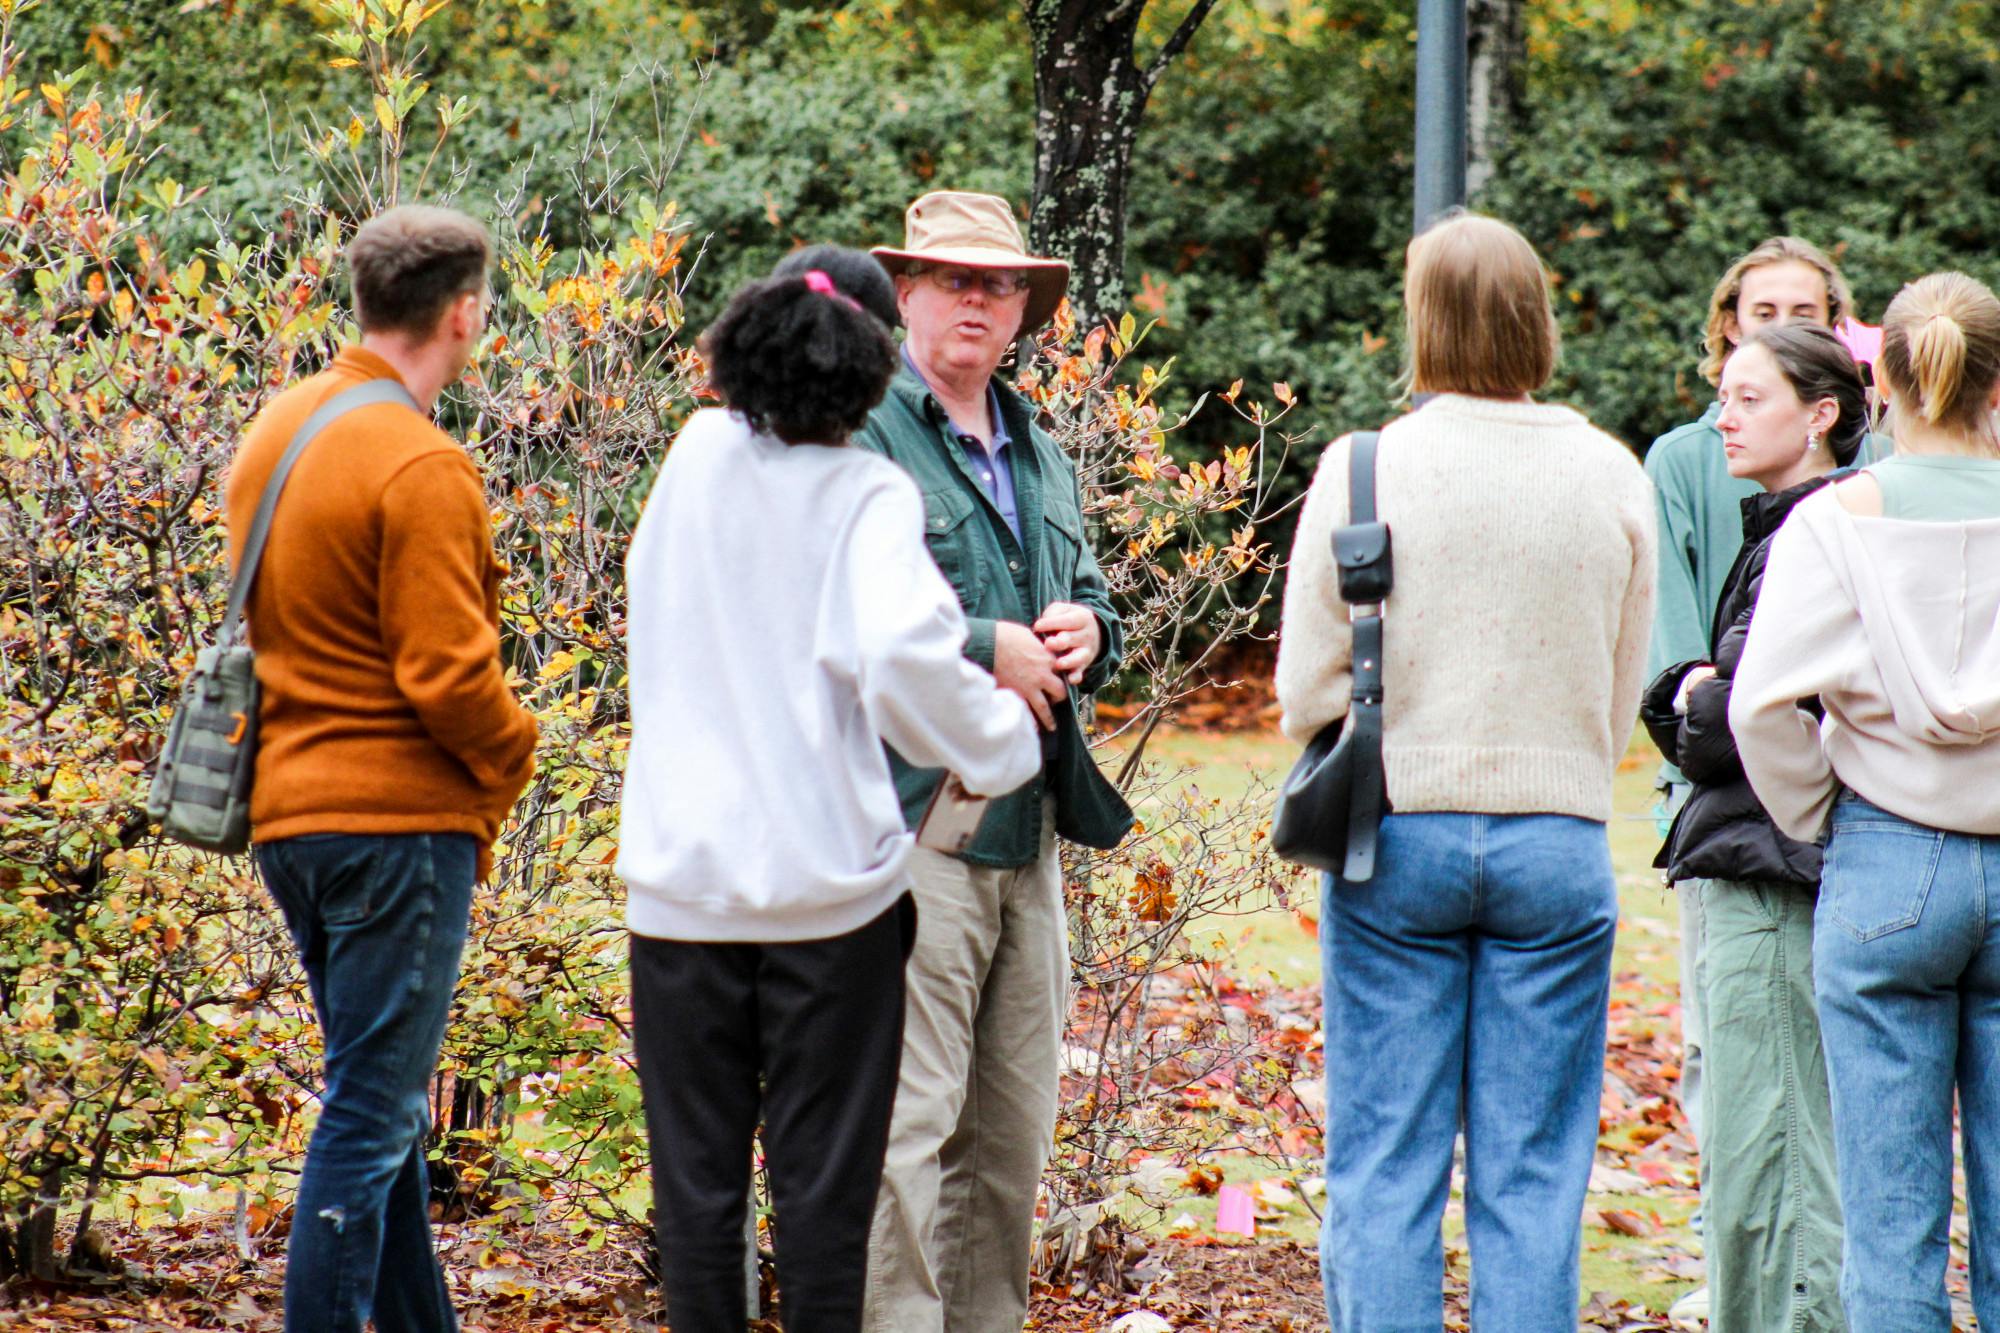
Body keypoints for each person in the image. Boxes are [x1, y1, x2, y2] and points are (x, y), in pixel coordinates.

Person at [616, 247, 1041, 1331]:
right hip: (831, 908)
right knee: (822, 1197)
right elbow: (907, 669)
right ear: (868, 364)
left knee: (696, 1195)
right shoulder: (866, 493)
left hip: (680, 893)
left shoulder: (690, 459)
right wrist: (1001, 748)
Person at [1276, 212, 1656, 1331]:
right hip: (1556, 834)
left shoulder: (1363, 466)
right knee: (1533, 1182)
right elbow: (1618, 681)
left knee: (1384, 1166)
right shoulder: (1610, 472)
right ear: (1535, 319)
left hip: (1396, 832)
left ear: (1420, 320)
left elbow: (1306, 688)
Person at [225, 205, 539, 1333]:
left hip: (288, 820)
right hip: (396, 829)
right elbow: (449, 679)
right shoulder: (420, 461)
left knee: (385, 1102)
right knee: (367, 1113)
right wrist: (518, 752)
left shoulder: (280, 428)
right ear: (462, 313)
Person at [855, 190, 1133, 1333]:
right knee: (907, 1128)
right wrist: (984, 644)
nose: (976, 300)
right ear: (906, 294)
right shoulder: (863, 430)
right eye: (952, 279)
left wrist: (1090, 633)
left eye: (998, 284)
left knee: (1010, 1129)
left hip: (1026, 831)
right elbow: (836, 614)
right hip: (911, 822)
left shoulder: (1044, 450)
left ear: (1023, 308)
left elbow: (1095, 602)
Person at [1733, 272, 2000, 1330]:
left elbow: (1758, 705)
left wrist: (1818, 813)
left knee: (1886, 1226)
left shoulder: (1830, 523)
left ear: (1876, 378)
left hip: (1886, 857)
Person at [1641, 324, 1866, 1332]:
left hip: (1774, 872)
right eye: (1720, 395)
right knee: (1754, 1157)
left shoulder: (1812, 536)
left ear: (1820, 414)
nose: (1720, 416)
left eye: (1748, 397)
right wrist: (1689, 695)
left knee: (1770, 1156)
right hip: (1761, 861)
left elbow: (1737, 717)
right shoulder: (1783, 527)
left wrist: (1690, 700)